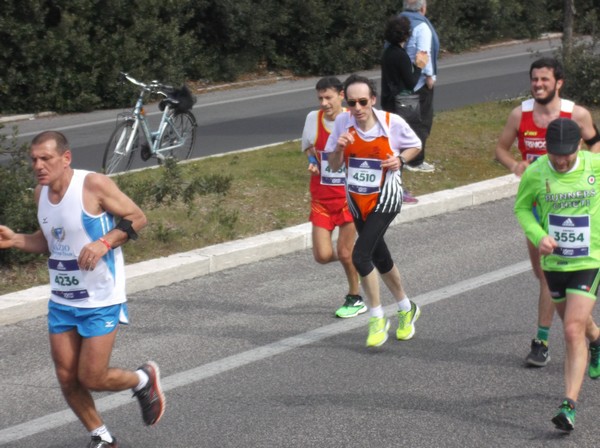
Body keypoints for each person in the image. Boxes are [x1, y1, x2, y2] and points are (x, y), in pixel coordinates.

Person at [0, 131, 165, 448]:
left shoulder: (93, 185)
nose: (38, 165)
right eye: (33, 159)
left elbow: (137, 217)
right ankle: (101, 437)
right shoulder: (41, 194)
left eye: (45, 158)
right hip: (62, 300)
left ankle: (143, 379)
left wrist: (104, 243)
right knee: (65, 376)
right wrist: (16, 240)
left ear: (66, 158)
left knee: (91, 376)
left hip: (101, 297)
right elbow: (49, 242)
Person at [496, 57, 600, 368]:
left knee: (557, 271)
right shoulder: (520, 114)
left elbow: (596, 144)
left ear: (559, 82)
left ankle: (541, 341)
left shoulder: (576, 114)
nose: (539, 85)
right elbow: (500, 148)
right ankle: (591, 333)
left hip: (571, 205)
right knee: (543, 274)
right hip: (538, 205)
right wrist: (515, 164)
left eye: (545, 79)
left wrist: (580, 174)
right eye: (534, 80)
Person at [514, 118, 600, 431]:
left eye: (566, 154)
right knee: (577, 325)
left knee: (572, 329)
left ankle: (569, 406)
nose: (561, 160)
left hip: (590, 258)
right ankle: (598, 338)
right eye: (554, 154)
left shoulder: (594, 166)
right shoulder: (536, 172)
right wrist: (539, 237)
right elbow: (522, 209)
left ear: (579, 146)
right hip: (555, 263)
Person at [325, 74, 422, 347]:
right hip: (357, 200)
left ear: (373, 100)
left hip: (386, 198)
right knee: (380, 256)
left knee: (360, 254)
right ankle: (406, 308)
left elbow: (416, 145)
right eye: (352, 102)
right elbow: (332, 165)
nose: (357, 108)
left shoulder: (391, 123)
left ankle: (377, 318)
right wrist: (340, 148)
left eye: (363, 102)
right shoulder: (343, 123)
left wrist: (400, 159)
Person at [301, 77, 366, 318]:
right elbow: (309, 148)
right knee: (322, 255)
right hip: (321, 198)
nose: (324, 103)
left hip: (348, 198)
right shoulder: (312, 119)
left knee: (346, 252)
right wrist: (312, 162)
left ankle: (355, 297)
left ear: (341, 95)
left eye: (328, 97)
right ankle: (363, 257)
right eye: (320, 99)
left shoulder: (354, 118)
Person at [381, 14, 430, 203]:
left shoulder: (387, 53)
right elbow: (409, 83)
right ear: (405, 36)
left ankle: (393, 186)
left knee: (391, 144)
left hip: (387, 102)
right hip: (401, 105)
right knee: (400, 145)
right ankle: (396, 188)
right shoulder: (400, 55)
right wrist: (419, 66)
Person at [399, 0, 439, 173]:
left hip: (401, 80)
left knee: (406, 121)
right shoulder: (422, 27)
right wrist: (430, 76)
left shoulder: (399, 21)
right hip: (419, 81)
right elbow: (423, 53)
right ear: (422, 8)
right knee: (421, 121)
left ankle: (403, 157)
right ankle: (416, 161)